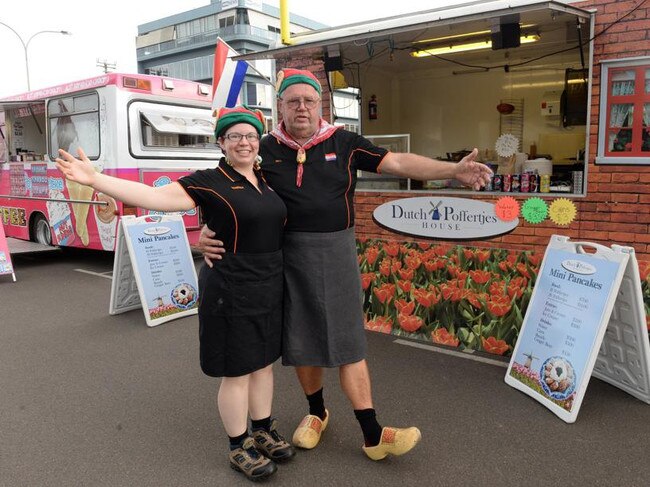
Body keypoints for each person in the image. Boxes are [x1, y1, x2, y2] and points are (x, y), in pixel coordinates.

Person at [197, 69, 493, 461]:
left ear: (320, 104)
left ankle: (373, 433)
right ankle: (316, 412)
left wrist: (451, 171)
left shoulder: (345, 142)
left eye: (309, 100)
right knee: (301, 342)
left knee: (349, 342)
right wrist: (205, 228)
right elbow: (228, 187)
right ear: (280, 107)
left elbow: (399, 162)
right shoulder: (263, 147)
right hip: (284, 255)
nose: (301, 108)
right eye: (293, 101)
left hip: (334, 253)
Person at [55, 106, 294, 481]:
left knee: (263, 363)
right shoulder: (208, 180)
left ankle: (262, 429)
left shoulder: (267, 181)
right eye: (234, 136)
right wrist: (97, 179)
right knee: (237, 371)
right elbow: (152, 196)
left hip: (269, 284)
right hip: (231, 286)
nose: (244, 142)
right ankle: (239, 445)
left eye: (250, 136)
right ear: (222, 142)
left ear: (258, 141)